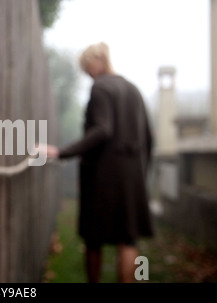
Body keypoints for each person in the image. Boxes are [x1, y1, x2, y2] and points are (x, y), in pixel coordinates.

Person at [41, 42, 154, 283]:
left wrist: (61, 151)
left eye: (86, 66)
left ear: (98, 60)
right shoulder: (133, 89)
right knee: (129, 239)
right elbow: (149, 138)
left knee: (94, 238)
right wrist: (141, 174)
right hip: (132, 175)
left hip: (103, 175)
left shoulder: (101, 87)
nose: (86, 72)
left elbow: (102, 129)